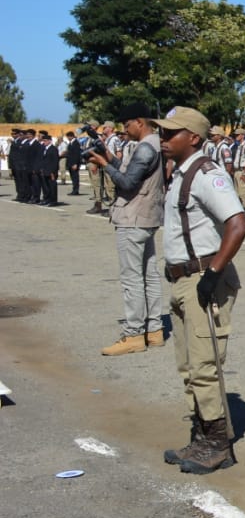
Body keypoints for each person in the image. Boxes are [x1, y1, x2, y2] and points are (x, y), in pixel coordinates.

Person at [155, 106, 245, 475]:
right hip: (182, 279)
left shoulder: (208, 175)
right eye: (162, 133)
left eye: (170, 133)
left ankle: (218, 444)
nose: (163, 139)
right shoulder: (180, 173)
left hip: (203, 278)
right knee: (188, 366)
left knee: (205, 364)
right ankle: (201, 435)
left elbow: (238, 224)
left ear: (193, 138)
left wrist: (213, 273)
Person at [86, 104, 166, 355]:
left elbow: (128, 182)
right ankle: (154, 330)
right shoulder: (155, 145)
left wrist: (103, 163)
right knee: (150, 275)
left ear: (140, 122)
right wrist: (110, 157)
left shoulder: (144, 147)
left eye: (127, 124)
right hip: (147, 216)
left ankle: (133, 334)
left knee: (132, 279)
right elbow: (132, 172)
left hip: (133, 217)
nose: (125, 129)